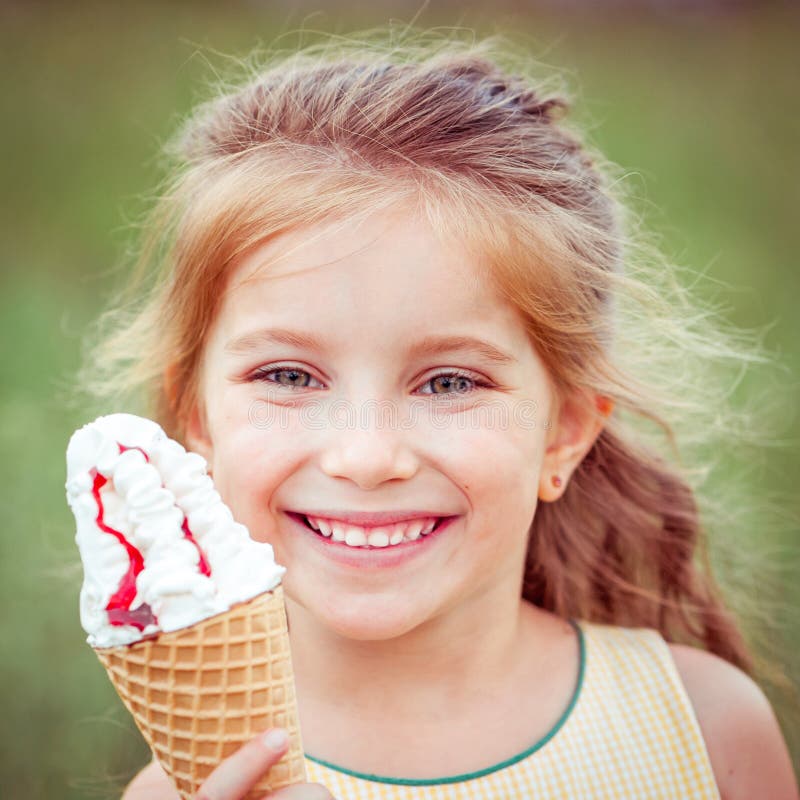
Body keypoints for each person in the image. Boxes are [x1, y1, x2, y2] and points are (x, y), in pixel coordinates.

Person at [83, 31, 798, 800]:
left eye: (450, 383)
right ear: (200, 420)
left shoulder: (705, 727)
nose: (364, 457)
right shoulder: (188, 790)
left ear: (563, 432)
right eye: (288, 374)